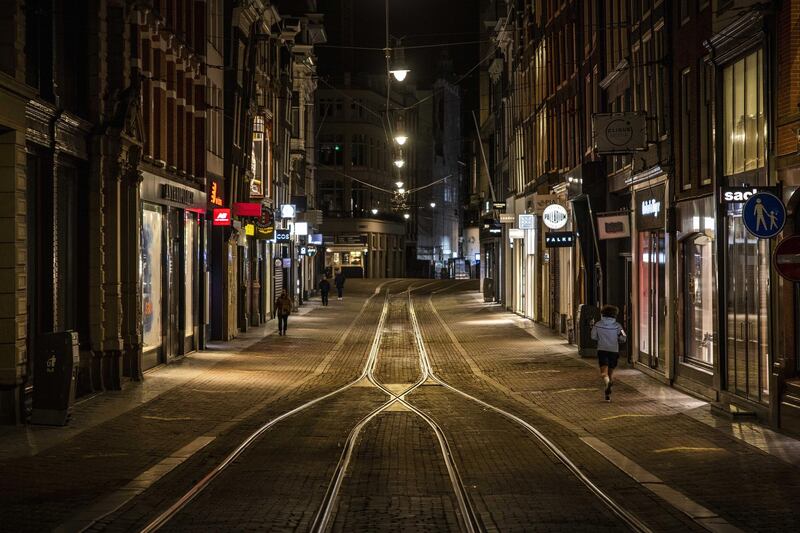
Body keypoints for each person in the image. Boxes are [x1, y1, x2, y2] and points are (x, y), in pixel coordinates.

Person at [590, 305, 627, 402]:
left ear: (602, 314)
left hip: (602, 350)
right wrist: (618, 340)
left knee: (603, 373)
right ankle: (607, 396)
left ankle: (607, 384)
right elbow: (623, 337)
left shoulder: (597, 324)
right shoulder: (618, 326)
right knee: (610, 373)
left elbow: (593, 337)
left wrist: (601, 339)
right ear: (614, 315)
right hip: (614, 351)